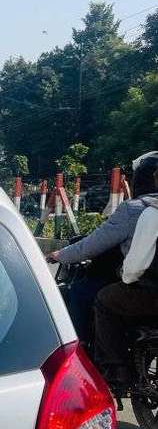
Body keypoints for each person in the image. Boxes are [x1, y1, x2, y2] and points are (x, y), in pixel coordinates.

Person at [48, 152, 158, 385]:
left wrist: (59, 255)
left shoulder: (140, 210)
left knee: (104, 300)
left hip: (149, 290)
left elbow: (93, 245)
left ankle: (115, 369)